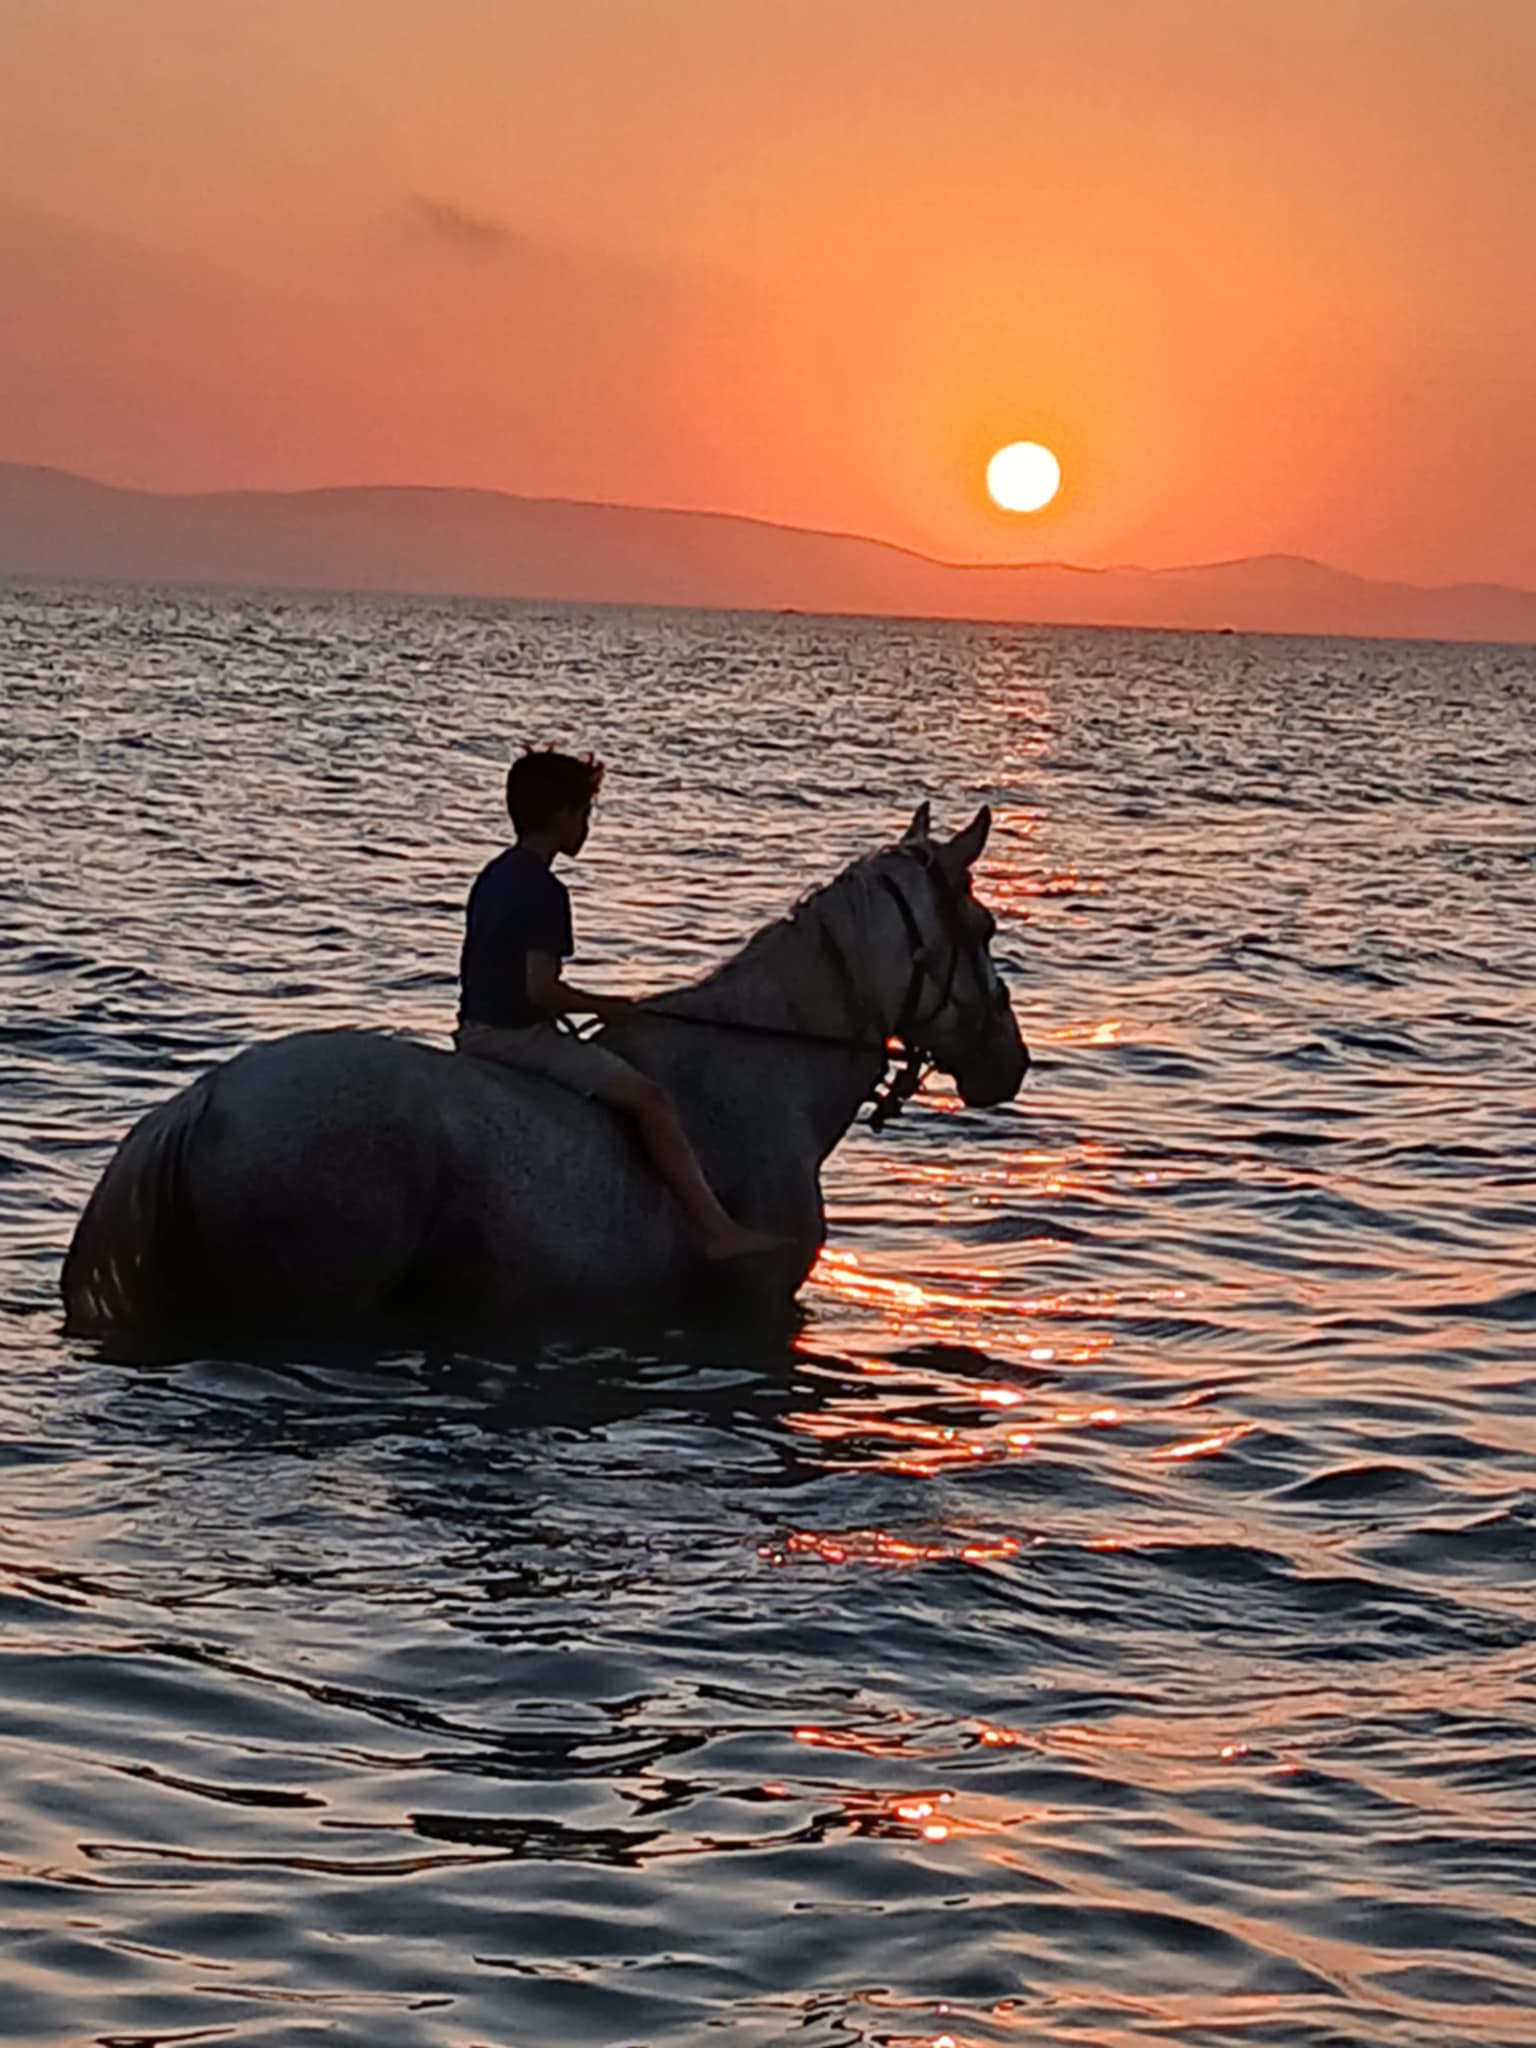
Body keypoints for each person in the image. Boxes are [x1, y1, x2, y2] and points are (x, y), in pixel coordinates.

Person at [455, 747, 783, 1262]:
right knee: (651, 1101)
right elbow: (540, 990)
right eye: (584, 813)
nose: (587, 826)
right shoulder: (545, 890)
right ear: (562, 816)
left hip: (473, 1028)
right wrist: (605, 1007)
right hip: (515, 1040)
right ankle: (718, 1231)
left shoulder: (493, 874)